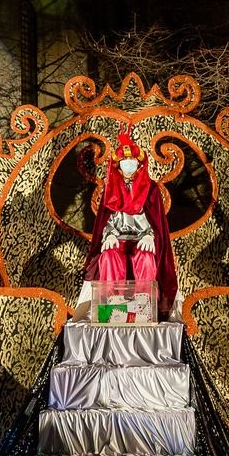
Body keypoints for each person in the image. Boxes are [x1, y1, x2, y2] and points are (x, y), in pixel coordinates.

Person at [84, 131, 178, 317]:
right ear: (118, 166)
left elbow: (156, 220)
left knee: (145, 258)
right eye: (125, 162)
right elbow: (105, 219)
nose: (129, 165)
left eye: (133, 161)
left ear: (139, 164)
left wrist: (151, 235)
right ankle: (112, 308)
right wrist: (109, 233)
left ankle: (142, 307)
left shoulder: (150, 189)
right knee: (109, 256)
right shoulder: (110, 188)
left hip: (142, 239)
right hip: (118, 239)